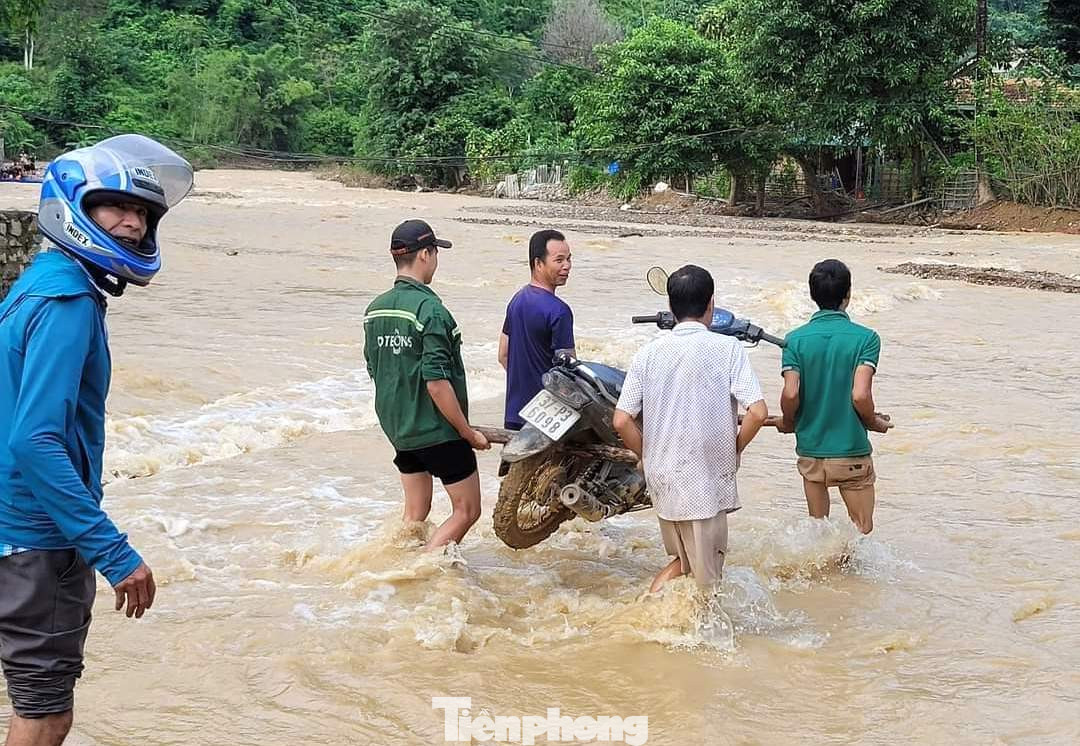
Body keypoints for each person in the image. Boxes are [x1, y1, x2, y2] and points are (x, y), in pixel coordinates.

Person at [0, 134, 194, 746]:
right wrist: (114, 554)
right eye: (117, 207)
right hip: (39, 539)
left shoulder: (35, 284)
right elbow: (36, 442)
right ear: (73, 207)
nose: (133, 224)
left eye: (144, 212)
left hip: (11, 528)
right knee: (45, 709)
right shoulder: (68, 302)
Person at [613, 265, 768, 593]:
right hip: (703, 480)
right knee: (706, 581)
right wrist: (735, 446)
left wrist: (646, 454)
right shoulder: (728, 349)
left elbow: (622, 419)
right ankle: (651, 617)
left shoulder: (648, 353)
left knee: (685, 564)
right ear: (711, 303)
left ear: (671, 307)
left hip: (663, 477)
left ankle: (651, 621)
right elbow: (757, 411)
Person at [364, 220, 491, 551]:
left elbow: (375, 369)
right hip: (438, 430)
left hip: (400, 430)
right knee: (467, 510)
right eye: (435, 253)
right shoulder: (431, 310)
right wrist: (467, 432)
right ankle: (426, 569)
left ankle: (398, 577)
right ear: (425, 254)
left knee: (416, 514)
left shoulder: (374, 310)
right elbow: (436, 382)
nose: (435, 260)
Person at [778, 259, 892, 534]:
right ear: (848, 295)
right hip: (850, 451)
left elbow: (791, 393)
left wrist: (788, 421)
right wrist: (874, 422)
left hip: (811, 452)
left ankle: (824, 574)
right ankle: (847, 575)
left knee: (819, 531)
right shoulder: (866, 338)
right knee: (861, 531)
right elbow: (860, 395)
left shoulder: (794, 340)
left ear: (812, 294)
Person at [498, 229, 574, 431]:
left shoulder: (516, 301)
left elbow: (503, 354)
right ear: (538, 263)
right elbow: (569, 372)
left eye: (568, 259)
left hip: (514, 414)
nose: (566, 266)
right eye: (559, 260)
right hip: (545, 421)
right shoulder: (559, 311)